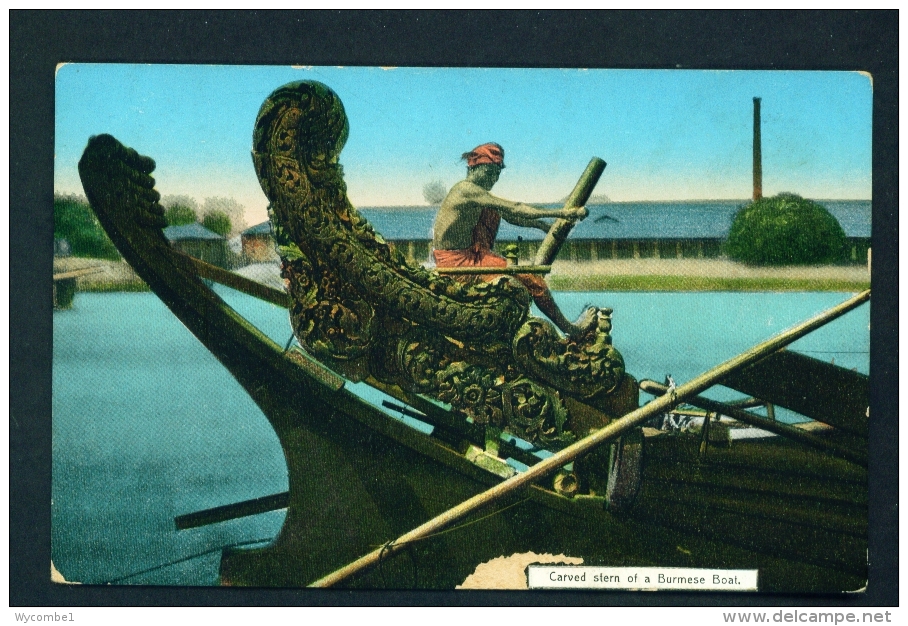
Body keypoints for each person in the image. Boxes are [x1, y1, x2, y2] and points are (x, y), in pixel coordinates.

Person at [432, 142, 589, 336]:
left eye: (497, 174)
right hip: (458, 264)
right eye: (490, 172)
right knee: (534, 281)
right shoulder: (465, 190)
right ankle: (571, 329)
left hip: (469, 257)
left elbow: (511, 216)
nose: (494, 178)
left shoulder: (477, 196)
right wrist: (563, 213)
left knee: (493, 211)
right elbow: (514, 207)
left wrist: (540, 226)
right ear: (474, 167)